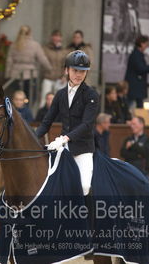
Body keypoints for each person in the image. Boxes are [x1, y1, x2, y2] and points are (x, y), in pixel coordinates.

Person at [36, 50, 99, 196]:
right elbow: (46, 122)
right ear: (67, 70)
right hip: (63, 149)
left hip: (82, 149)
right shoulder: (60, 94)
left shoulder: (91, 95)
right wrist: (33, 137)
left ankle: (87, 217)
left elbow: (87, 125)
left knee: (84, 186)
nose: (78, 75)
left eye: (82, 72)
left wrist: (65, 138)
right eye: (75, 70)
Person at [5, 25, 52, 103]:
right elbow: (42, 59)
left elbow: (9, 61)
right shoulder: (35, 45)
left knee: (17, 99)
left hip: (15, 75)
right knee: (29, 99)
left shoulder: (14, 45)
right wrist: (49, 68)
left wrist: (7, 75)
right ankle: (26, 113)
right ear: (30, 33)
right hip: (30, 75)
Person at [125, 35, 149, 108]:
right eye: (146, 44)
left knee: (139, 105)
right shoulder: (136, 55)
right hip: (134, 85)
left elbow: (143, 69)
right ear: (141, 43)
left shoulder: (139, 55)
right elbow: (140, 69)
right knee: (129, 104)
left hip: (138, 86)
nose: (147, 46)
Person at [40, 30, 67, 107]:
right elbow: (43, 62)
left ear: (61, 38)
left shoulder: (64, 50)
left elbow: (66, 64)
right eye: (55, 36)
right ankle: (42, 116)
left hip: (60, 78)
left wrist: (65, 76)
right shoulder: (45, 49)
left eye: (58, 36)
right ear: (52, 37)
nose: (57, 38)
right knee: (44, 98)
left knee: (60, 99)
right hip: (48, 77)